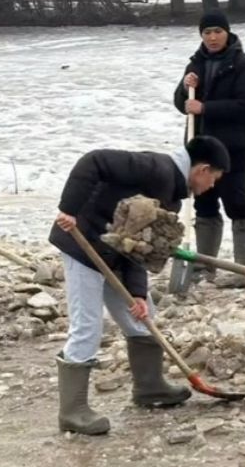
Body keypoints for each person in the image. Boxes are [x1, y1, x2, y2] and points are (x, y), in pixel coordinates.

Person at [47, 136, 230, 435]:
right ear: (202, 169)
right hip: (82, 246)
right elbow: (93, 160)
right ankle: (73, 411)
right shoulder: (153, 168)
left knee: (144, 317)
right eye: (215, 179)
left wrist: (138, 293)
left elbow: (138, 247)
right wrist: (69, 208)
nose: (212, 186)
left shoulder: (170, 191)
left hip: (113, 255)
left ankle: (150, 387)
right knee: (88, 327)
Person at [173, 10, 245, 284]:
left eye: (217, 32)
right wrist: (184, 89)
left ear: (227, 33)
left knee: (238, 204)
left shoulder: (243, 65)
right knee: (205, 205)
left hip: (233, 148)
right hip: (201, 149)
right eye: (207, 32)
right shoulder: (195, 64)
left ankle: (243, 269)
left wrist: (205, 108)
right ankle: (204, 266)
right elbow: (182, 104)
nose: (212, 37)